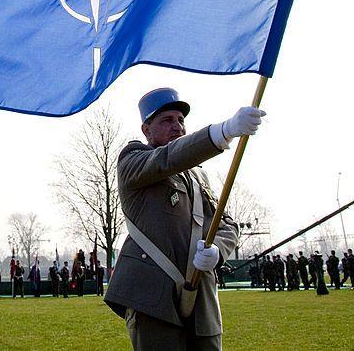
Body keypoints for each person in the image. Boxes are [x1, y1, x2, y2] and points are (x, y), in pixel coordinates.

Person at [104, 88, 261, 351]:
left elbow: (227, 224)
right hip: (153, 299)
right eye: (166, 120)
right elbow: (167, 159)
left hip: (202, 298)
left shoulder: (198, 177)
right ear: (146, 130)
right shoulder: (132, 159)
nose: (177, 126)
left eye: (180, 120)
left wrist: (217, 251)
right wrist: (222, 132)